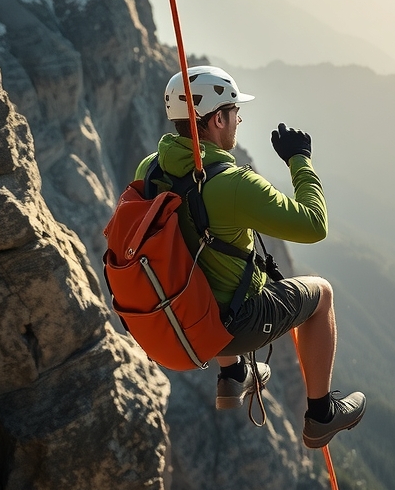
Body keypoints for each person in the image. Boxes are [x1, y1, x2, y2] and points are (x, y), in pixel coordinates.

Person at [135, 65, 366, 449]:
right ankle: (322, 415)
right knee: (321, 294)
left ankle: (234, 375)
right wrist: (299, 160)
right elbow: (313, 225)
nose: (239, 119)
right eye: (233, 111)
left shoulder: (151, 168)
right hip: (230, 326)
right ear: (218, 118)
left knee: (210, 257)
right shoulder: (232, 184)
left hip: (180, 318)